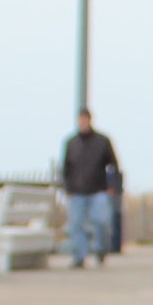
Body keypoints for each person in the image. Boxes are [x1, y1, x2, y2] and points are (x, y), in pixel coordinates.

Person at [60, 109, 119, 268]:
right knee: (76, 224)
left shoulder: (102, 141)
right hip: (77, 192)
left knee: (101, 222)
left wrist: (112, 186)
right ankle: (80, 257)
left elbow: (114, 164)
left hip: (99, 190)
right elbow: (65, 168)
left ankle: (100, 250)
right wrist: (67, 188)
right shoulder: (71, 143)